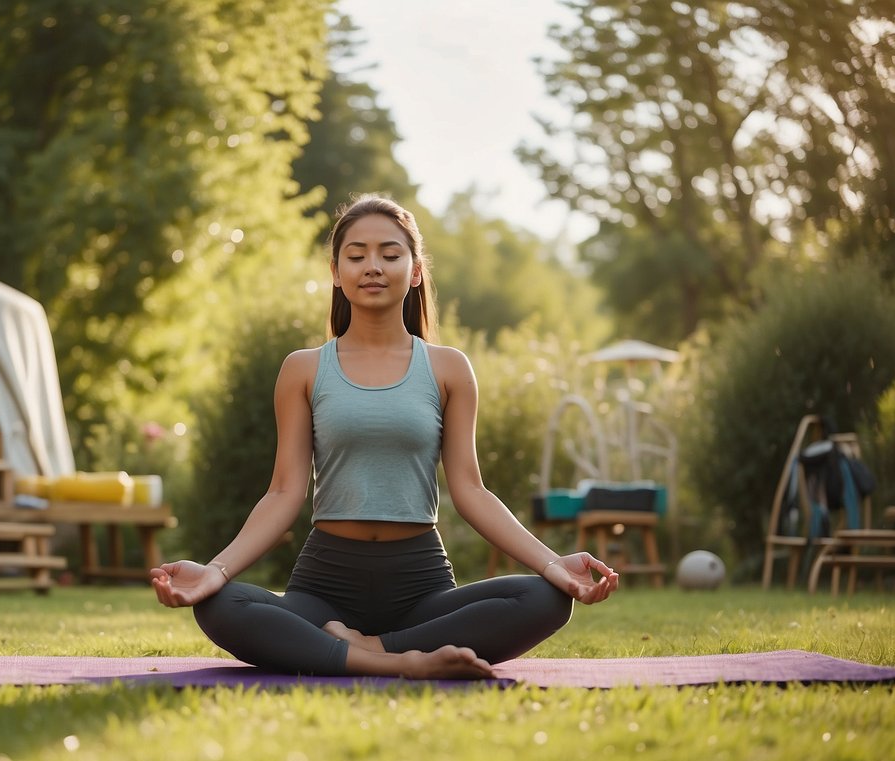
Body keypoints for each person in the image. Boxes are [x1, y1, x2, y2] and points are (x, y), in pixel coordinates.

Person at [151, 194, 618, 679]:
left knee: (546, 598)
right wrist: (216, 571)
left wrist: (552, 564)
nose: (372, 266)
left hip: (420, 586)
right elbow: (285, 491)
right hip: (324, 587)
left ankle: (364, 650)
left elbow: (471, 490)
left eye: (390, 254)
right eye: (356, 255)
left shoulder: (449, 368)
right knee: (219, 604)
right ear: (336, 271)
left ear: (415, 270)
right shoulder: (303, 369)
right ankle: (402, 662)